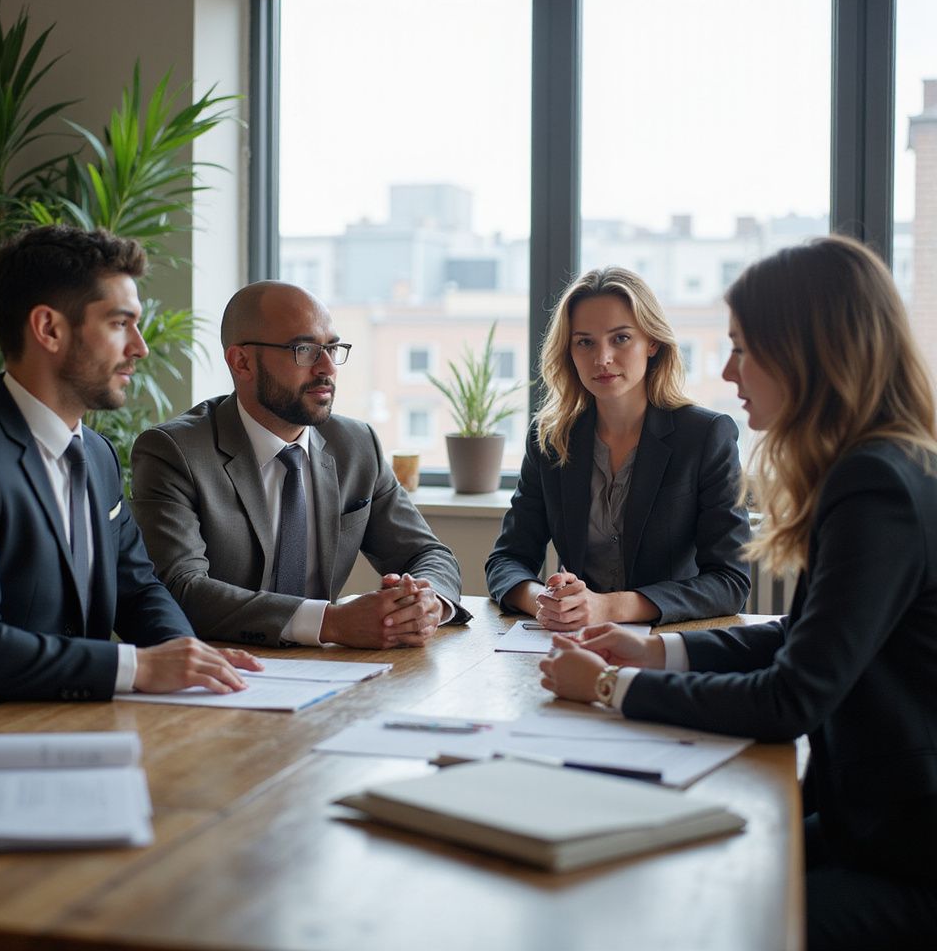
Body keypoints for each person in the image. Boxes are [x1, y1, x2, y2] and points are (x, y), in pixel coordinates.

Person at [539, 236, 937, 950]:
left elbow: (791, 697)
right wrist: (658, 652)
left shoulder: (876, 486)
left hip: (909, 858)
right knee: (669, 867)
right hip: (875, 824)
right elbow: (802, 631)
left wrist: (611, 687)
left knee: (696, 918)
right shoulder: (884, 465)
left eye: (743, 348)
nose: (728, 370)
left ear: (809, 353)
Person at [0, 226, 261, 734]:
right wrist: (138, 667)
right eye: (121, 323)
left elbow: (137, 588)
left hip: (83, 728)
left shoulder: (96, 454)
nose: (140, 348)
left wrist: (188, 658)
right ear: (49, 329)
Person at [130, 280, 469, 650]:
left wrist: (425, 602)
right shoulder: (174, 451)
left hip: (326, 674)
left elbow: (427, 554)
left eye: (332, 348)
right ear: (241, 362)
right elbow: (181, 589)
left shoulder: (356, 445)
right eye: (304, 349)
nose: (327, 367)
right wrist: (332, 623)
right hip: (217, 672)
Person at [486, 267, 749, 628]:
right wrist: (545, 602)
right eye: (585, 342)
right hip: (575, 642)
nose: (602, 358)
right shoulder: (549, 439)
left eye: (621, 338)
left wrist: (609, 607)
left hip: (671, 643)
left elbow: (730, 582)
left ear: (652, 342)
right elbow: (506, 561)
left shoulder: (705, 435)